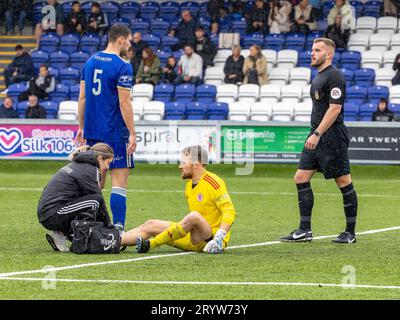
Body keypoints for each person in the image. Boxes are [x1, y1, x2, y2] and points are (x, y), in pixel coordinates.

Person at [280, 38, 358, 244]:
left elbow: (335, 109)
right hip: (316, 134)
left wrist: (317, 134)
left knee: (343, 181)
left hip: (331, 137)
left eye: (317, 50)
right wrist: (314, 133)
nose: (312, 53)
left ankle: (350, 233)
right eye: (312, 49)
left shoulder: (335, 76)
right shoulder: (319, 76)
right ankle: (305, 230)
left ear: (329, 54)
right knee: (300, 177)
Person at [121, 145, 237, 254]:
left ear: (196, 164)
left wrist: (219, 238)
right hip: (193, 236)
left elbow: (229, 210)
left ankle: (150, 245)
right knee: (151, 224)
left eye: (183, 162)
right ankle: (113, 241)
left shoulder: (214, 182)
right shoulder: (189, 185)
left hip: (211, 240)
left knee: (194, 216)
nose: (180, 166)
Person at [76, 24, 136, 232]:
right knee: (119, 183)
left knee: (95, 184)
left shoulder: (90, 62)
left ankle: (89, 226)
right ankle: (118, 230)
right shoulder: (123, 66)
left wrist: (82, 127)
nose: (130, 44)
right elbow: (125, 103)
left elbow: (82, 98)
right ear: (120, 40)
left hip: (93, 132)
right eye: (129, 40)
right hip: (114, 133)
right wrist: (132, 133)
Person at [37, 143, 114, 252]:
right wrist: (109, 228)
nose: (108, 167)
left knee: (90, 202)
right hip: (52, 214)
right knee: (94, 203)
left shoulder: (79, 164)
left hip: (48, 212)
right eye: (108, 163)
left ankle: (63, 233)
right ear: (100, 159)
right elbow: (99, 199)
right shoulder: (90, 169)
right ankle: (79, 236)